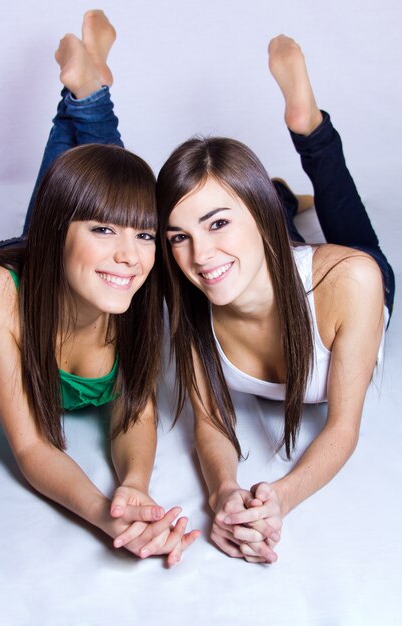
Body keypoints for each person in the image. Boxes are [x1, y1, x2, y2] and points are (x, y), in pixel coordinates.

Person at [0, 10, 199, 566]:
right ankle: (91, 97)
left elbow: (134, 410)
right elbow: (31, 444)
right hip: (37, 273)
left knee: (105, 189)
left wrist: (134, 485)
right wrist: (103, 513)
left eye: (146, 236)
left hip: (67, 264)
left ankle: (88, 95)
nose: (131, 256)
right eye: (105, 232)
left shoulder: (137, 286)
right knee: (81, 186)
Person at [155, 35, 395, 564]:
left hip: (346, 283)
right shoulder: (194, 292)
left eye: (218, 222)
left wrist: (279, 499)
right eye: (178, 235)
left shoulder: (350, 281)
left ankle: (308, 127)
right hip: (271, 247)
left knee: (352, 230)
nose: (199, 255)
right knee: (244, 249)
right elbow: (211, 422)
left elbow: (343, 427)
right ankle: (280, 198)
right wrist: (224, 495)